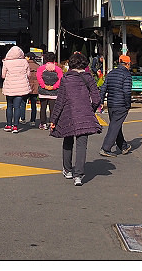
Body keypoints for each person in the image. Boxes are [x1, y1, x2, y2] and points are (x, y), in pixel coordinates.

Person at [49, 52, 102, 186]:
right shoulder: (89, 78)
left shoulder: (66, 79)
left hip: (68, 115)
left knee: (68, 141)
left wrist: (53, 120)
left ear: (70, 65)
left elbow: (60, 101)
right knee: (81, 145)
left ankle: (67, 170)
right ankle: (78, 175)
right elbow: (97, 99)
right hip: (84, 114)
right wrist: (90, 110)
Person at [98, 54, 133, 157]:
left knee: (116, 124)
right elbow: (127, 92)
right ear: (127, 64)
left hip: (111, 103)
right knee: (114, 126)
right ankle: (106, 148)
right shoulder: (126, 75)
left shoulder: (111, 73)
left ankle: (123, 146)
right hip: (121, 104)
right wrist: (128, 105)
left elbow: (103, 88)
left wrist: (101, 101)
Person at [1, 46, 30, 133]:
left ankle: (9, 125)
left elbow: (3, 75)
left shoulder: (6, 62)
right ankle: (16, 126)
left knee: (9, 106)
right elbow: (28, 74)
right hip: (20, 87)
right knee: (17, 107)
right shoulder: (24, 61)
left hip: (10, 87)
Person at [37, 52, 63, 130]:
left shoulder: (41, 68)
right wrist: (54, 87)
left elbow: (39, 78)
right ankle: (53, 123)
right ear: (54, 59)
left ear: (45, 59)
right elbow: (61, 79)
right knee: (53, 109)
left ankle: (43, 123)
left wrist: (44, 86)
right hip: (54, 92)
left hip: (43, 91)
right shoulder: (58, 69)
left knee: (43, 108)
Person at [23, 52, 41, 126]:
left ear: (29, 57)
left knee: (23, 103)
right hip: (35, 87)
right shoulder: (38, 66)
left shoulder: (25, 65)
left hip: (26, 86)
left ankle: (22, 118)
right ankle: (33, 120)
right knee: (33, 105)